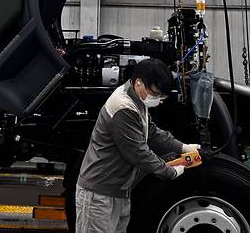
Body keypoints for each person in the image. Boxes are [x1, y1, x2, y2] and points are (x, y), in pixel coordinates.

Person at [75, 58, 200, 232]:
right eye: (154, 93)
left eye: (160, 96)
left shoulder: (136, 99)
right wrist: (169, 171)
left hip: (118, 191)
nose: (157, 99)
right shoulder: (123, 107)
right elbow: (138, 153)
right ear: (139, 82)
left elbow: (153, 133)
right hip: (99, 195)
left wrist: (183, 147)